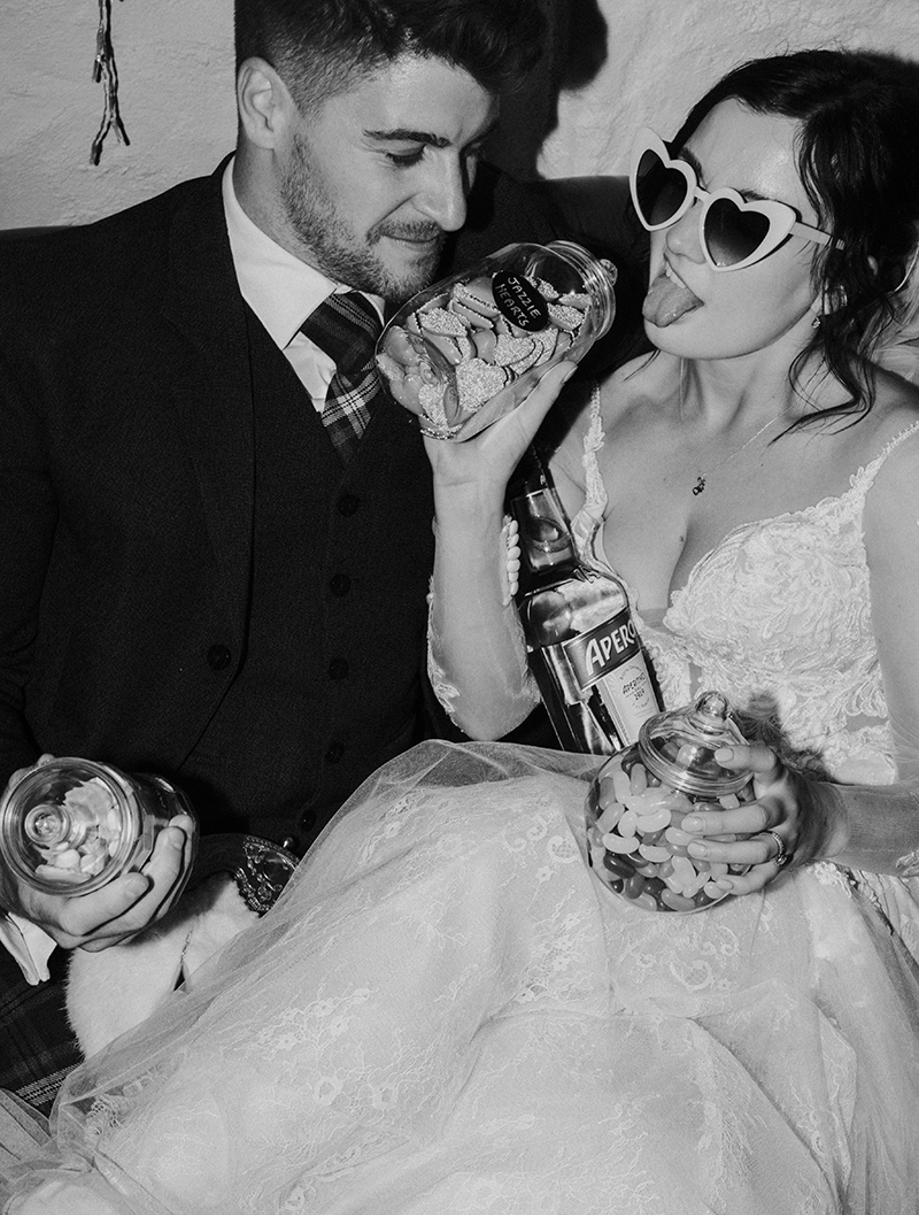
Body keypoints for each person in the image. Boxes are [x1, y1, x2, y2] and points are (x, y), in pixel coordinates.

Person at [4, 44, 919, 1215]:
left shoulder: (895, 468)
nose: (670, 240)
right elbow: (488, 715)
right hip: (580, 842)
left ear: (836, 272)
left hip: (804, 926)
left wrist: (806, 818)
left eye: (735, 223)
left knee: (585, 1193)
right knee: (397, 948)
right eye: (670, 183)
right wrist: (464, 477)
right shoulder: (611, 402)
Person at [0, 0, 571, 1107]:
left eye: (471, 149)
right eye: (403, 151)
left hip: (391, 921)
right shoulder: (45, 318)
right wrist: (30, 863)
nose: (449, 204)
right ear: (268, 104)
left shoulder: (522, 272)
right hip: (103, 939)